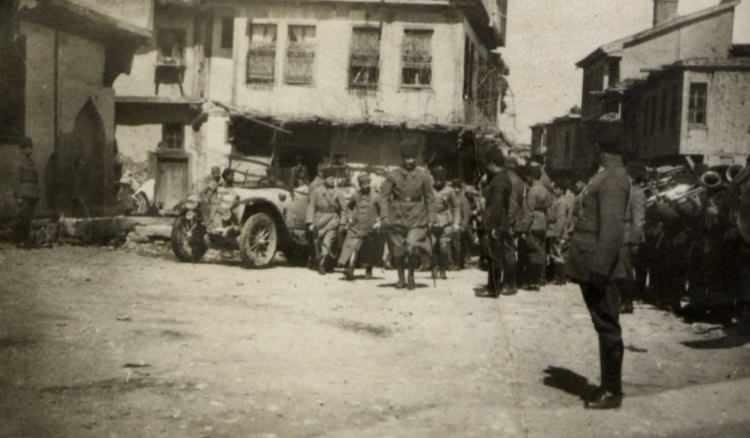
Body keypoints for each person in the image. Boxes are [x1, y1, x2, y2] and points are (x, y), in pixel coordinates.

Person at [565, 140, 630, 410]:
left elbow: (612, 230)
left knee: (607, 325)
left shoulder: (613, 179)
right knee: (603, 324)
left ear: (602, 150)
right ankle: (608, 386)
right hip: (590, 262)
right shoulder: (604, 176)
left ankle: (612, 391)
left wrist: (600, 270)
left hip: (598, 266)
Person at [380, 141, 435, 290]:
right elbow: (383, 196)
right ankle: (400, 278)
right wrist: (384, 216)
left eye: (412, 158)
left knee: (411, 246)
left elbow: (430, 197)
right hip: (396, 215)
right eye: (406, 158)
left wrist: (431, 217)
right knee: (398, 249)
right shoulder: (393, 175)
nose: (409, 161)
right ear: (402, 158)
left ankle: (411, 275)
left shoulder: (423, 176)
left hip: (417, 215)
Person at [481, 148, 514, 297]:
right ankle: (494, 286)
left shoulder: (499, 181)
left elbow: (497, 205)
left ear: (492, 163)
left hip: (497, 223)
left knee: (494, 256)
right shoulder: (502, 177)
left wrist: (493, 227)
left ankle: (493, 288)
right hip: (501, 222)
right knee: (495, 255)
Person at [338, 174, 382, 281]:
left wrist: (379, 221)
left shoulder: (376, 196)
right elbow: (348, 207)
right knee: (352, 246)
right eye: (362, 185)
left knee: (369, 250)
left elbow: (383, 210)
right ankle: (350, 268)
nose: (364, 187)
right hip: (356, 225)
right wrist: (349, 218)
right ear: (359, 185)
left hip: (370, 227)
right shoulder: (356, 195)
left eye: (366, 184)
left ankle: (368, 270)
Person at [306, 167, 345, 275]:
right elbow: (311, 207)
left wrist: (342, 222)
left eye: (334, 178)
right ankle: (317, 261)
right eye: (330, 178)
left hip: (332, 219)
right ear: (324, 179)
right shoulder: (316, 191)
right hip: (319, 220)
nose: (332, 180)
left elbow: (344, 209)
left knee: (327, 241)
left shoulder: (338, 193)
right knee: (317, 242)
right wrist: (309, 222)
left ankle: (321, 264)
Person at [521, 165, 553, 290]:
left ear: (531, 177)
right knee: (541, 251)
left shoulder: (532, 191)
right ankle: (541, 278)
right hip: (543, 222)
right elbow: (549, 206)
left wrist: (523, 229)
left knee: (533, 252)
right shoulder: (545, 190)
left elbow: (529, 212)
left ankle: (533, 281)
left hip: (533, 223)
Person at [622, 162, 647, 314]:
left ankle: (627, 302)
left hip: (627, 236)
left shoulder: (637, 193)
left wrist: (635, 241)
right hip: (618, 234)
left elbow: (638, 220)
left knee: (625, 271)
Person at [431, 166, 460, 280]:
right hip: (432, 221)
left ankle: (443, 269)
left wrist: (456, 222)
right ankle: (434, 268)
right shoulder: (429, 189)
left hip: (445, 221)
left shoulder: (450, 190)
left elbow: (456, 206)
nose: (438, 181)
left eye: (440, 179)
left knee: (443, 247)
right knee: (432, 245)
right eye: (436, 178)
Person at [14, 137, 40, 248]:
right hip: (24, 193)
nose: (30, 150)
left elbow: (36, 178)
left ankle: (27, 240)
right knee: (22, 218)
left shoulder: (32, 162)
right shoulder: (19, 163)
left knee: (29, 218)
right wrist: (18, 196)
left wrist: (37, 192)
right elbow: (17, 180)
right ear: (22, 149)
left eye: (31, 147)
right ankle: (19, 240)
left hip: (32, 193)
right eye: (27, 148)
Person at [451, 179, 474, 270]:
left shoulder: (463, 199)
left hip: (460, 225)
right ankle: (454, 262)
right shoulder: (451, 198)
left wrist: (463, 226)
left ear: (460, 188)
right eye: (454, 187)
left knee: (459, 245)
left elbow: (466, 213)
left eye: (458, 187)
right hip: (452, 224)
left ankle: (459, 263)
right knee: (454, 245)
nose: (456, 189)